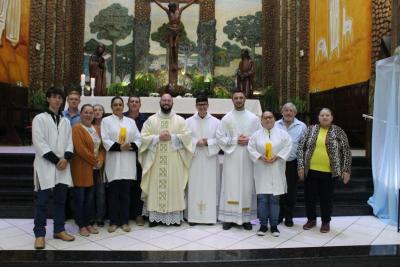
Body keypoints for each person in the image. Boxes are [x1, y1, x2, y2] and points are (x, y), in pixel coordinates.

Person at [32, 87, 75, 249]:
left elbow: (70, 142)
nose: (57, 100)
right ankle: (40, 234)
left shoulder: (65, 121)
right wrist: (57, 160)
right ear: (48, 99)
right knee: (42, 202)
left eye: (60, 98)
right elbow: (39, 143)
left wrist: (66, 158)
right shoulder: (39, 119)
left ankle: (59, 230)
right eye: (54, 97)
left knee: (60, 201)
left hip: (63, 166)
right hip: (46, 165)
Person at [140, 93, 192, 226]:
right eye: (164, 100)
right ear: (160, 102)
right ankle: (154, 216)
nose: (166, 103)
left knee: (174, 187)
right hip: (156, 160)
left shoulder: (180, 120)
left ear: (172, 103)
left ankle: (174, 217)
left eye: (169, 100)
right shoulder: (151, 120)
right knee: (155, 186)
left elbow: (187, 138)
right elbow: (143, 138)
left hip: (174, 160)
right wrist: (157, 138)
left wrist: (173, 137)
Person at [297, 108, 352, 233]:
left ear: (332, 117)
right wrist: (300, 166)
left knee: (326, 199)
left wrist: (346, 169)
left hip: (329, 173)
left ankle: (325, 222)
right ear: (318, 117)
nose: (325, 117)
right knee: (309, 197)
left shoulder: (338, 131)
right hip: (310, 171)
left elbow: (346, 152)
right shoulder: (310, 129)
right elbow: (301, 148)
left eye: (327, 115)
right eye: (322, 115)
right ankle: (311, 219)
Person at [216, 90, 262, 230]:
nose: (238, 100)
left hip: (248, 157)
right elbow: (219, 137)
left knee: (247, 185)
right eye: (236, 98)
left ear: (245, 99)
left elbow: (259, 136)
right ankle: (228, 218)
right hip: (232, 157)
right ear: (232, 100)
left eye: (241, 98)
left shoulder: (253, 118)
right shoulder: (226, 118)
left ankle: (246, 218)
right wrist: (236, 140)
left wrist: (249, 140)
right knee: (231, 185)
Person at [248, 111, 292, 237]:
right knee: (262, 199)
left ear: (274, 119)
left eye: (270, 117)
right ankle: (262, 225)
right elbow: (250, 148)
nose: (268, 119)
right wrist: (260, 156)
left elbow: (288, 146)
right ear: (261, 120)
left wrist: (277, 157)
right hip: (261, 170)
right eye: (265, 118)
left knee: (274, 199)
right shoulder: (256, 135)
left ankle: (273, 226)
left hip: (276, 169)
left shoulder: (283, 134)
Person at [101, 97, 141, 233]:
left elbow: (138, 138)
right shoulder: (106, 121)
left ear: (124, 106)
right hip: (113, 161)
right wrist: (119, 147)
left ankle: (124, 221)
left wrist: (130, 146)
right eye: (115, 105)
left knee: (125, 194)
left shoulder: (130, 121)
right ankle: (113, 221)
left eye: (120, 104)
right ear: (111, 107)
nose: (118, 107)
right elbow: (105, 139)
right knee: (113, 194)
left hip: (128, 162)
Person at [185, 96, 221, 225]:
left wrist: (208, 142)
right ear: (196, 106)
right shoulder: (188, 121)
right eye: (199, 104)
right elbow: (184, 139)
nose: (202, 107)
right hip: (194, 160)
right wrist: (196, 142)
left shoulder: (216, 122)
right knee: (194, 186)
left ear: (208, 105)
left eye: (204, 104)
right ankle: (193, 217)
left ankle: (210, 217)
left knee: (210, 186)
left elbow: (220, 140)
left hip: (209, 160)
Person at [71, 104, 105, 237]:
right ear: (81, 114)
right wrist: (94, 161)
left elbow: (102, 147)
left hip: (94, 169)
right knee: (80, 198)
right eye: (86, 112)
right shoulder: (77, 129)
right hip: (81, 168)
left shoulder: (96, 128)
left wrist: (101, 160)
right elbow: (80, 149)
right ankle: (81, 225)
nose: (89, 115)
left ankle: (89, 223)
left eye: (91, 113)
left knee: (90, 199)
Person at [276, 103, 307, 227]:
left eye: (291, 111)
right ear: (282, 112)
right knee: (278, 190)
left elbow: (303, 148)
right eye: (286, 110)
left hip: (292, 163)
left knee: (291, 192)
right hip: (277, 162)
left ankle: (289, 217)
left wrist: (301, 166)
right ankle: (279, 215)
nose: (288, 113)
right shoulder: (276, 124)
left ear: (295, 113)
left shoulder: (302, 126)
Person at [153, 0, 197, 86]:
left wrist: (193, 1)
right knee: (172, 46)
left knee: (176, 45)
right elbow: (161, 6)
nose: (171, 8)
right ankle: (172, 62)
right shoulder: (168, 12)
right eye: (170, 7)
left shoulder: (179, 11)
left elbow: (187, 5)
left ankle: (174, 63)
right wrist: (155, 1)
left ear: (174, 7)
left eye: (172, 7)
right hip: (170, 30)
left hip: (177, 30)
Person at [124, 95, 148, 226]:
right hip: (124, 156)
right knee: (126, 185)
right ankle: (125, 214)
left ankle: (138, 214)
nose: (134, 103)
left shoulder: (146, 119)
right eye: (131, 101)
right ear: (128, 104)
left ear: (140, 104)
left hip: (140, 156)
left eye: (136, 102)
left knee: (139, 185)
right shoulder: (121, 117)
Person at [92, 104, 106, 227]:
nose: (97, 112)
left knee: (101, 191)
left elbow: (104, 147)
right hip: (89, 162)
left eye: (99, 110)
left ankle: (100, 216)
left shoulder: (106, 125)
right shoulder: (88, 126)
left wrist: (100, 159)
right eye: (94, 110)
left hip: (103, 162)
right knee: (91, 190)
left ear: (103, 112)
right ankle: (90, 216)